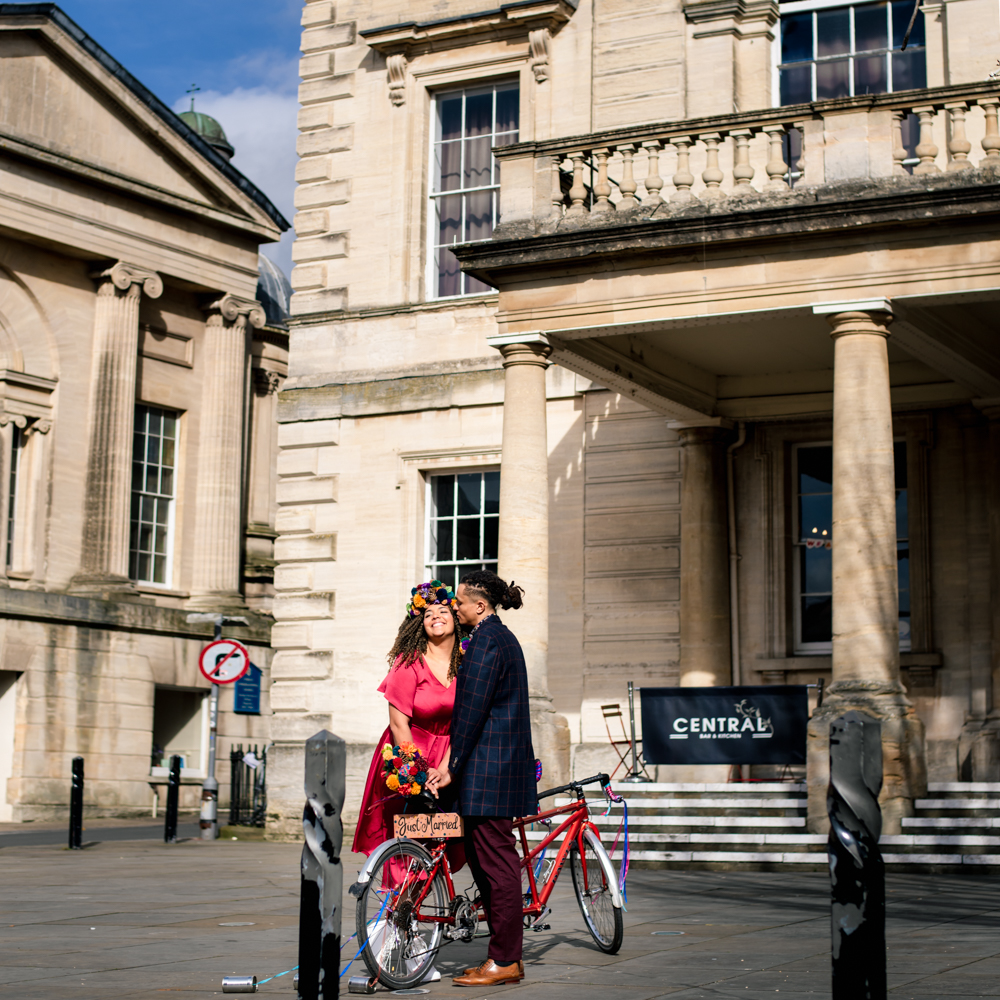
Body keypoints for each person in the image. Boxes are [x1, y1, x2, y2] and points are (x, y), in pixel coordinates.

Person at [434, 569, 536, 987]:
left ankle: (506, 959)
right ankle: (502, 956)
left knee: (497, 866)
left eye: (459, 601)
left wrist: (451, 764)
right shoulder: (499, 638)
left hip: (487, 771)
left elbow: (471, 712)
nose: (454, 607)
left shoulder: (486, 642)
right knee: (489, 864)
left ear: (480, 605)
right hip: (495, 768)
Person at [352, 580, 466, 865]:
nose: (435, 617)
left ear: (456, 618)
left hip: (450, 756)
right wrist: (419, 771)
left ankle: (431, 900)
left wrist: (446, 767)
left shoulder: (466, 664)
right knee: (406, 845)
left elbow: (464, 723)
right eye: (427, 614)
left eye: (442, 611)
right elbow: (398, 724)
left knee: (439, 843)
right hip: (408, 752)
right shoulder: (409, 661)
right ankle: (397, 906)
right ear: (419, 625)